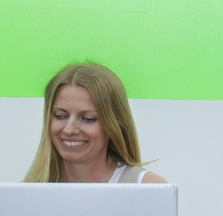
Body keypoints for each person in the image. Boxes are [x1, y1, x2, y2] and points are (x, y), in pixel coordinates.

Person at [23, 62, 166, 184]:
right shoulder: (29, 191)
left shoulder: (149, 187)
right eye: (60, 116)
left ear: (114, 125)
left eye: (88, 119)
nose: (69, 129)